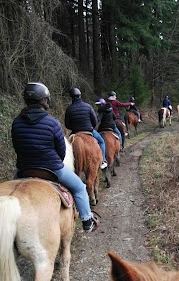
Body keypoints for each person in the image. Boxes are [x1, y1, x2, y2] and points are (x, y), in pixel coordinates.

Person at [11, 82, 99, 232]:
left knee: (12, 194)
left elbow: (17, 147)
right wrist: (54, 162)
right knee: (79, 188)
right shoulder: (53, 123)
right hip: (51, 169)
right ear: (45, 101)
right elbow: (62, 151)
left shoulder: (17, 122)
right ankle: (87, 220)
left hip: (24, 170)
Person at [65, 88, 108, 169]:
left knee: (67, 147)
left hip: (75, 132)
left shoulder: (69, 109)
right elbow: (95, 121)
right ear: (80, 95)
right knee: (101, 141)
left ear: (71, 97)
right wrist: (91, 127)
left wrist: (74, 128)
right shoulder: (88, 106)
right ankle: (103, 160)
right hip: (88, 130)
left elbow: (67, 124)